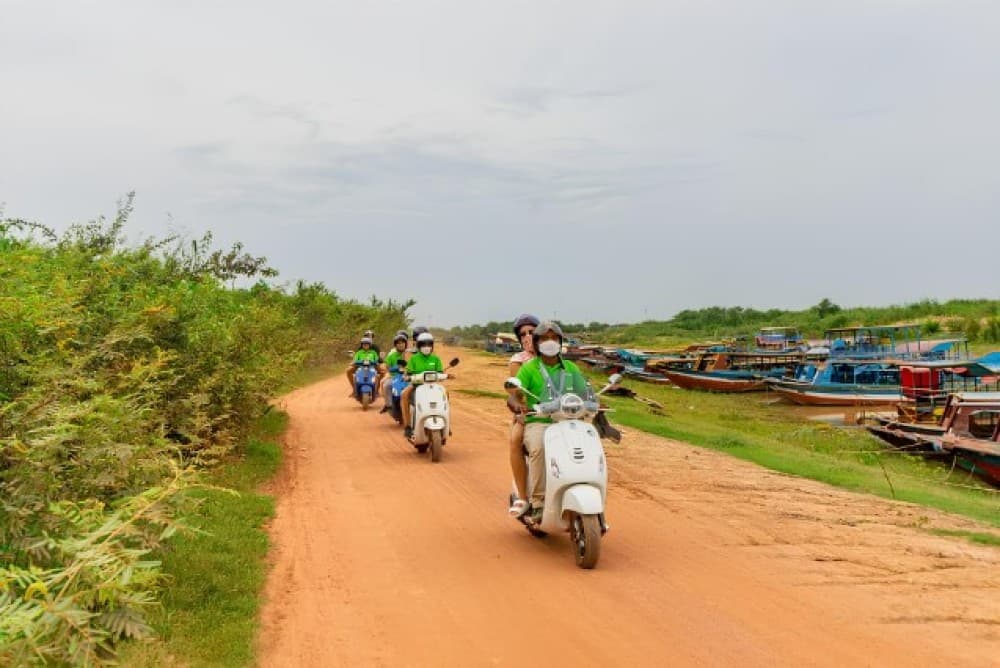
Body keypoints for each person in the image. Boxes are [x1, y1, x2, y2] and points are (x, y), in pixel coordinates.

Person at [510, 321, 587, 524]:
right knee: (538, 447)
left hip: (569, 420)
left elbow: (585, 392)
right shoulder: (528, 368)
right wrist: (518, 405)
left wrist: (596, 400)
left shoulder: (571, 367)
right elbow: (514, 395)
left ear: (560, 342)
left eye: (554, 338)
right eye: (544, 338)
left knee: (586, 446)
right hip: (539, 420)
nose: (550, 342)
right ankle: (537, 502)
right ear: (536, 343)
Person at [504, 314, 539, 517]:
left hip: (559, 413)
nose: (528, 337)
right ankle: (524, 497)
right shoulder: (518, 360)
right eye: (523, 334)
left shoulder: (554, 356)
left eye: (532, 332)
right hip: (530, 414)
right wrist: (520, 407)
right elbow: (516, 392)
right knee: (516, 440)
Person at [401, 332, 445, 438]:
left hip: (433, 386)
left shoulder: (436, 359)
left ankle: (446, 422)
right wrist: (406, 376)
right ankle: (407, 426)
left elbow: (440, 372)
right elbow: (408, 372)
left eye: (429, 344)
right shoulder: (414, 358)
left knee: (445, 393)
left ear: (432, 346)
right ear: (419, 346)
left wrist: (446, 375)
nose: (426, 347)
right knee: (404, 394)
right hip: (417, 385)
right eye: (423, 345)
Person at [379, 331, 409, 413]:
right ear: (395, 345)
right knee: (386, 385)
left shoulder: (410, 354)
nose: (401, 344)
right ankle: (388, 405)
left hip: (408, 377)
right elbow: (386, 366)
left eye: (402, 343)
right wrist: (387, 369)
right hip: (394, 377)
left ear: (406, 344)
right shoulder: (392, 355)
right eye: (398, 343)